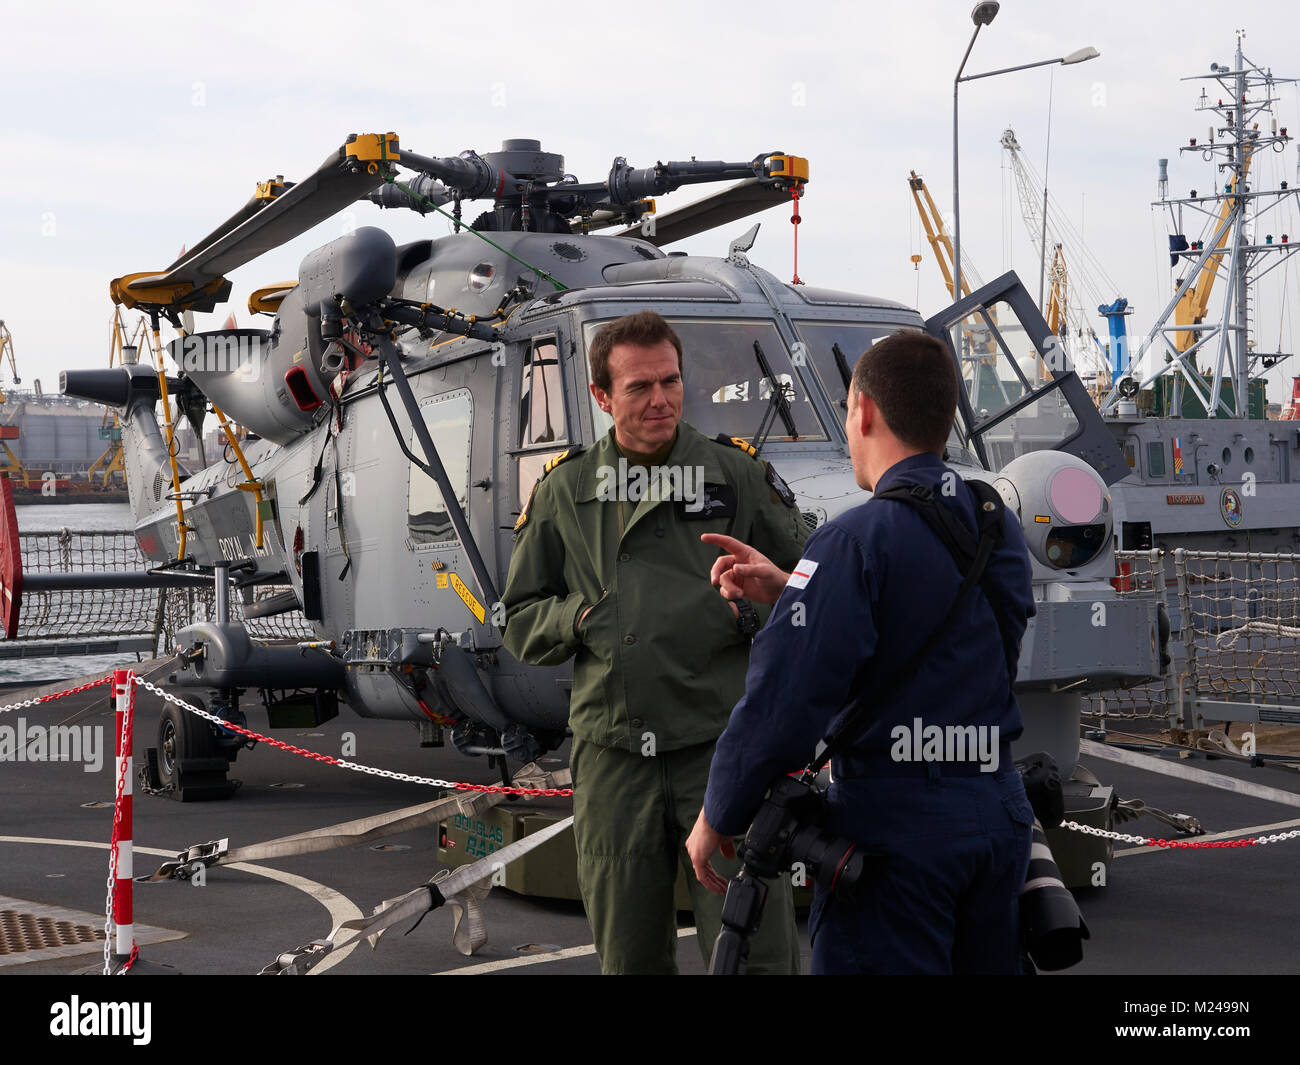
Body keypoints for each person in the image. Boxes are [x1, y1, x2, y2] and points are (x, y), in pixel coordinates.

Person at [685, 328, 1037, 975]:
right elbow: (973, 640)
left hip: (899, 827)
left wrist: (718, 812)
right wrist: (794, 585)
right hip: (997, 812)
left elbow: (783, 703)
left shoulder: (853, 539)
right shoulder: (994, 521)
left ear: (863, 411)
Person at [501, 309, 808, 974]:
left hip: (721, 754)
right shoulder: (566, 489)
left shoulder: (735, 475)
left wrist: (775, 590)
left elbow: (820, 587)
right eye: (639, 387)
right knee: (630, 957)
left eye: (670, 381)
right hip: (616, 762)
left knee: (756, 953)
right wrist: (580, 619)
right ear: (601, 397)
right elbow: (518, 617)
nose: (661, 399)